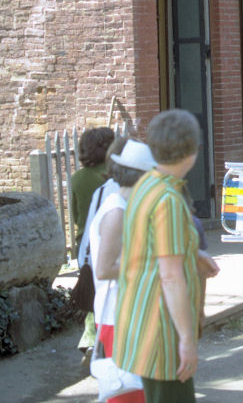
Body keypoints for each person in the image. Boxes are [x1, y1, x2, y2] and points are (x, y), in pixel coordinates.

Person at [114, 110, 205, 403]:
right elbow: (170, 276)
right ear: (192, 152)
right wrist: (187, 340)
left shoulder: (146, 185)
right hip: (162, 331)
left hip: (141, 322)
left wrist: (193, 254)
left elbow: (147, 249)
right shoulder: (169, 199)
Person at [91, 137, 157, 403]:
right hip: (117, 315)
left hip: (126, 312)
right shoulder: (117, 211)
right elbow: (105, 268)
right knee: (127, 394)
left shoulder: (125, 206)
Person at [72, 127, 115, 358]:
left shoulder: (77, 178)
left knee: (90, 289)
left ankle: (90, 338)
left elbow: (77, 215)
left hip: (84, 245)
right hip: (107, 240)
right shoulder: (114, 177)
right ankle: (99, 339)